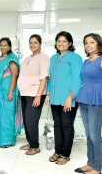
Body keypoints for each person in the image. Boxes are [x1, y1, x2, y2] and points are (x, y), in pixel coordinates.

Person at [45, 31, 83, 165]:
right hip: (55, 98)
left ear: (70, 43)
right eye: (59, 41)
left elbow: (77, 79)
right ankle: (57, 151)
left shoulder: (75, 58)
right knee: (57, 126)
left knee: (67, 126)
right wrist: (48, 94)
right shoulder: (53, 58)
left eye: (64, 41)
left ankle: (65, 154)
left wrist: (70, 97)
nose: (61, 43)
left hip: (68, 99)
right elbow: (50, 78)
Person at [75, 33, 102, 174]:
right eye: (86, 43)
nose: (88, 45)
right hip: (83, 99)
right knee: (89, 135)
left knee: (96, 136)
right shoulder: (86, 62)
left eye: (92, 42)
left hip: (96, 100)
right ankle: (90, 163)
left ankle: (98, 167)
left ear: (98, 44)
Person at [18, 34, 49, 155]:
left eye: (35, 42)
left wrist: (38, 95)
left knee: (31, 121)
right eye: (30, 43)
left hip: (35, 94)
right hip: (24, 94)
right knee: (26, 120)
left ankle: (35, 146)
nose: (32, 45)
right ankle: (30, 143)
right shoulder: (27, 58)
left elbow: (44, 78)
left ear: (40, 44)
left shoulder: (44, 57)